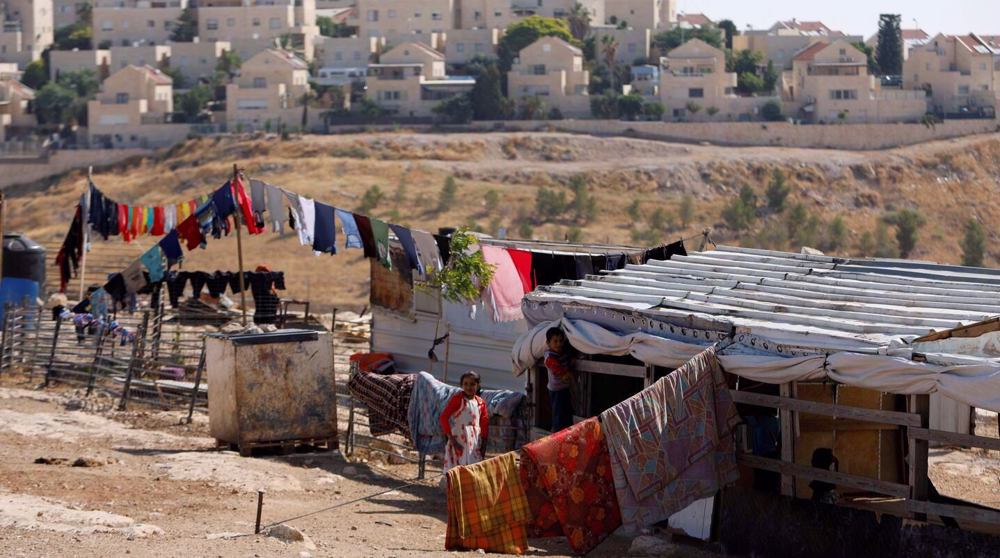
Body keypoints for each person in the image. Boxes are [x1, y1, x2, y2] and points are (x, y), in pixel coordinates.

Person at [439, 371, 489, 473]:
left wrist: (483, 445)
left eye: (472, 384)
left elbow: (484, 424)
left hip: (474, 442)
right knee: (457, 470)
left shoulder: (480, 403)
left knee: (472, 470)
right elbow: (443, 418)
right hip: (459, 441)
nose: (468, 387)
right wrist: (453, 440)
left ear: (478, 385)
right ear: (461, 385)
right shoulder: (458, 400)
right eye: (465, 384)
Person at [544, 327, 574, 432]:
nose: (558, 344)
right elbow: (557, 369)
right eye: (555, 341)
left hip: (564, 388)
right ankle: (556, 435)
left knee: (566, 412)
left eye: (561, 341)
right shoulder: (550, 357)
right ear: (548, 343)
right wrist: (567, 375)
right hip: (556, 390)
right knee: (558, 414)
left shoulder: (562, 353)